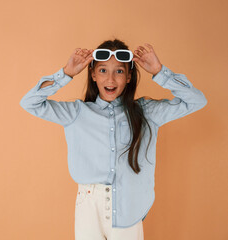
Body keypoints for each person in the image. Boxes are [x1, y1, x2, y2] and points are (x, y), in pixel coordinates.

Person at [19, 39, 207, 240]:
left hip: (128, 206)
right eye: (102, 71)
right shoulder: (76, 113)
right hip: (87, 207)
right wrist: (66, 73)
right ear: (92, 74)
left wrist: (160, 72)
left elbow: (196, 100)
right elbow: (29, 103)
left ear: (128, 77)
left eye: (119, 71)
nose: (110, 79)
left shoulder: (147, 112)